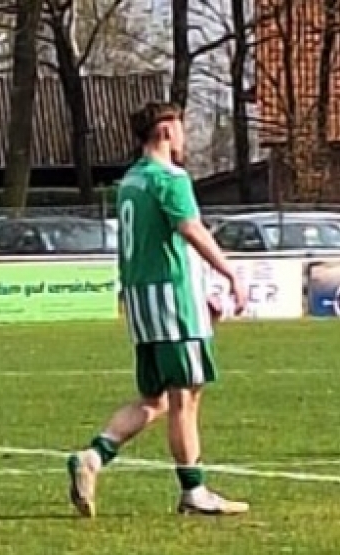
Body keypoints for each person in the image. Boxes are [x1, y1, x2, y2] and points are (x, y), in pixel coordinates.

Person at [66, 101, 249, 517]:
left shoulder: (131, 181)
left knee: (156, 399)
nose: (184, 137)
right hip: (173, 302)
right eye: (181, 128)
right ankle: (194, 491)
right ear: (166, 131)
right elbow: (191, 229)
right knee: (186, 398)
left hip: (141, 302)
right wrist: (230, 273)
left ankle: (93, 456)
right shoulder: (170, 178)